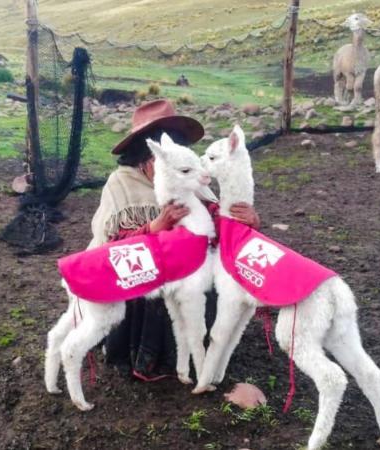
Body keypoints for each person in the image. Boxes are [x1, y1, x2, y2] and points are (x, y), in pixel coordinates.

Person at [88, 99, 260, 381]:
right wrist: (156, 226)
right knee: (156, 285)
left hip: (186, 267)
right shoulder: (121, 184)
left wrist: (247, 221)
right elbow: (112, 245)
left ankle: (203, 346)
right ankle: (148, 357)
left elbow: (217, 227)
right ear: (144, 155)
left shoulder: (189, 178)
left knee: (210, 278)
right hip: (139, 272)